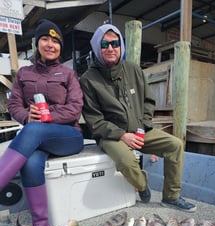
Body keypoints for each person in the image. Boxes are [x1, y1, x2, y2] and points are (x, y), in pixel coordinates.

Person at [80, 23, 196, 212]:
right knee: (126, 161)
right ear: (96, 47)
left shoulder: (133, 69)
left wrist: (142, 127)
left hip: (140, 131)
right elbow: (94, 120)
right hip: (111, 136)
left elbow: (148, 101)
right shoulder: (87, 79)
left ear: (121, 46)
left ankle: (171, 196)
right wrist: (122, 135)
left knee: (175, 145)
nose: (110, 48)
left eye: (115, 43)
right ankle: (142, 184)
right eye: (104, 44)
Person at [1, 19, 84, 226]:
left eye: (55, 41)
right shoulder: (24, 74)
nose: (50, 44)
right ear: (37, 43)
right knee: (32, 161)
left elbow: (75, 109)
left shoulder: (68, 74)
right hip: (37, 136)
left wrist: (45, 117)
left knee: (33, 130)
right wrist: (27, 115)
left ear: (60, 46)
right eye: (45, 39)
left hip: (68, 136)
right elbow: (14, 103)